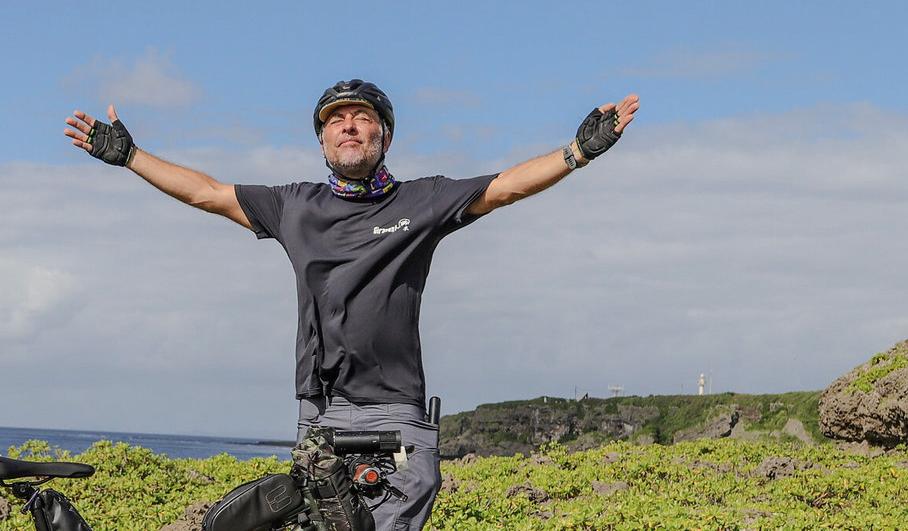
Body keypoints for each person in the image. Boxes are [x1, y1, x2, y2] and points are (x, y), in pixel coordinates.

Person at [65, 80, 639, 531]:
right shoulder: (294, 207)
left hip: (396, 409)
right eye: (335, 120)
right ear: (322, 141)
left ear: (383, 136)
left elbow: (506, 186)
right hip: (320, 412)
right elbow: (207, 192)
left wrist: (577, 152)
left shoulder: (422, 200)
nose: (348, 125)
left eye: (362, 117)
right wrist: (131, 156)